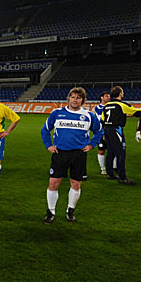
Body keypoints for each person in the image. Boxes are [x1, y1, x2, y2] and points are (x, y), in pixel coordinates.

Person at [41, 87, 103, 223]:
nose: (75, 100)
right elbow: (45, 130)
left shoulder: (89, 115)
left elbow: (99, 131)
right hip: (60, 153)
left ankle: (70, 210)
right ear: (69, 98)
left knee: (76, 183)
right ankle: (51, 211)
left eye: (79, 98)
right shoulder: (57, 113)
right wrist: (48, 145)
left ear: (82, 100)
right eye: (73, 97)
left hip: (79, 154)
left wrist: (92, 144)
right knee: (53, 183)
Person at [102, 86, 141, 185]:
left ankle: (110, 174)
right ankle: (122, 177)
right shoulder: (121, 105)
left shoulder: (107, 105)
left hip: (107, 129)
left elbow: (102, 120)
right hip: (116, 129)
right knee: (121, 153)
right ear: (120, 93)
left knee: (110, 153)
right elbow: (135, 112)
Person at [93, 91, 116, 174]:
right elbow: (95, 121)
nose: (109, 97)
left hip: (111, 131)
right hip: (101, 132)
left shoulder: (112, 106)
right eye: (107, 96)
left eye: (109, 96)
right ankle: (103, 169)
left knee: (114, 150)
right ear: (101, 98)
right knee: (101, 150)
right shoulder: (96, 108)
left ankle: (114, 167)